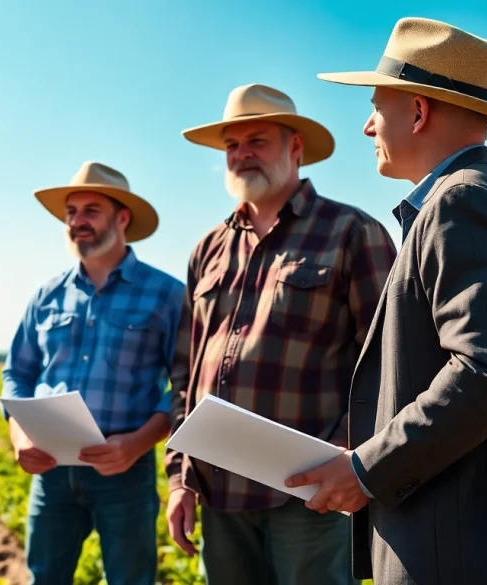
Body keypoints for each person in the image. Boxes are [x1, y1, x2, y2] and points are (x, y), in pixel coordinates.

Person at [289, 17, 487, 585]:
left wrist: (366, 469)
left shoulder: (463, 203)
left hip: (448, 550)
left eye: (377, 105)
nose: (367, 125)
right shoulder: (484, 196)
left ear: (418, 111)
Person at [164, 83, 397, 585]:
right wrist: (182, 479)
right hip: (219, 495)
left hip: (310, 496)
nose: (241, 154)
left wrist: (351, 460)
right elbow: (185, 374)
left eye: (257, 141)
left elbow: (390, 365)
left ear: (295, 147)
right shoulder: (208, 248)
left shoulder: (353, 233)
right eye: (232, 145)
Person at [0, 161, 185, 585]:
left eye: (90, 210)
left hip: (124, 469)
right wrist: (20, 436)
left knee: (130, 579)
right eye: (71, 212)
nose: (77, 222)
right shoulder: (46, 296)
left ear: (122, 218)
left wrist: (138, 443)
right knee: (44, 577)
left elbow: (185, 383)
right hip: (51, 472)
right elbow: (17, 373)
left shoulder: (167, 294)